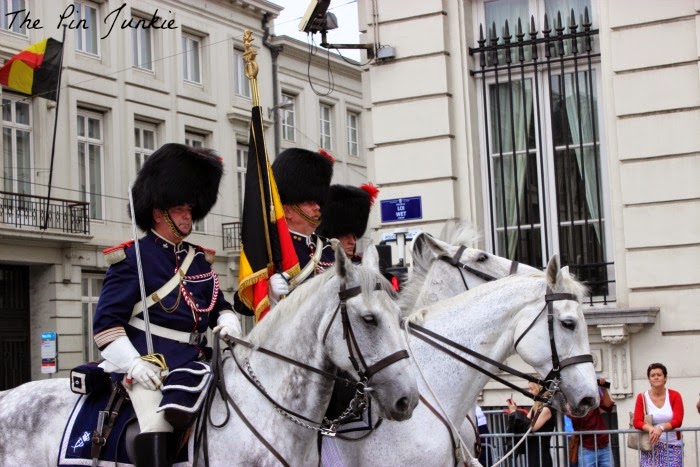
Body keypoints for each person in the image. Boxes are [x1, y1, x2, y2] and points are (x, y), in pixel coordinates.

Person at [93, 143, 242, 467]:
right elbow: (105, 326)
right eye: (179, 210)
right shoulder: (133, 259)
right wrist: (133, 364)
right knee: (157, 424)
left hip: (198, 362)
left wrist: (229, 321)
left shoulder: (199, 260)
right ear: (159, 213)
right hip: (149, 365)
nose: (188, 216)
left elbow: (219, 306)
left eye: (190, 209)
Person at [266, 147, 335, 304]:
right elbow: (242, 303)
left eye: (317, 202)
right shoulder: (270, 248)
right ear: (288, 210)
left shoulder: (327, 249)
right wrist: (269, 293)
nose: (317, 207)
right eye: (309, 202)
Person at [633, 362, 684, 467]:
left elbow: (678, 421)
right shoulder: (642, 397)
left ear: (665, 378)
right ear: (649, 379)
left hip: (673, 446)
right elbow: (637, 421)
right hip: (650, 446)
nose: (656, 377)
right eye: (652, 375)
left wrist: (661, 428)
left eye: (659, 375)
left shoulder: (675, 395)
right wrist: (651, 428)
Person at [315, 183, 379, 264]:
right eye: (346, 236)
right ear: (332, 237)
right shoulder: (317, 263)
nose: (352, 242)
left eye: (354, 237)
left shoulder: (362, 264)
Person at [505, 382, 557, 466]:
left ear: (540, 390)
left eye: (532, 389)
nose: (530, 392)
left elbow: (530, 428)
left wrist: (515, 412)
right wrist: (515, 412)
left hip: (540, 452)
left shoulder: (546, 408)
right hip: (532, 449)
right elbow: (525, 422)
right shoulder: (536, 406)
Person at [570, 377, 615, 467]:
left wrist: (603, 388)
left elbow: (608, 406)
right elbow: (574, 419)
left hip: (604, 444)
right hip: (587, 447)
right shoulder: (573, 399)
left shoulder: (593, 394)